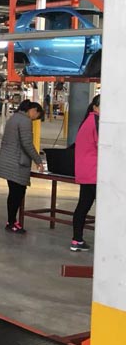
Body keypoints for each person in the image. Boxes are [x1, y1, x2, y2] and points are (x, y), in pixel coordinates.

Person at [0, 100, 45, 234]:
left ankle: (11, 221)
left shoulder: (14, 118)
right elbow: (27, 143)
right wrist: (38, 160)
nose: (35, 119)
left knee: (14, 192)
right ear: (33, 110)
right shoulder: (25, 121)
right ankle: (11, 222)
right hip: (16, 162)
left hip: (7, 160)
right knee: (17, 194)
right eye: (37, 116)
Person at [70, 95, 99, 252]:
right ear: (95, 107)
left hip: (85, 170)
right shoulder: (97, 121)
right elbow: (103, 145)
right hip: (94, 171)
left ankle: (77, 239)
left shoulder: (87, 121)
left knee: (83, 205)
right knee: (104, 207)